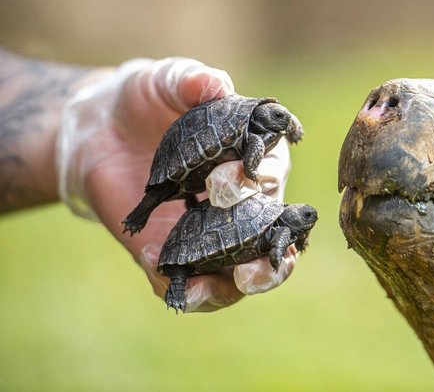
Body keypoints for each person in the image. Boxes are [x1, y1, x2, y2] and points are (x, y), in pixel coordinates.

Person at [0, 48, 298, 312]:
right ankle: (138, 217)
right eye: (278, 118)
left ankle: (173, 259)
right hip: (187, 152)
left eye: (284, 119)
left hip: (199, 172)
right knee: (159, 193)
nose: (283, 122)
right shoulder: (253, 133)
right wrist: (253, 172)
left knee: (175, 203)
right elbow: (254, 149)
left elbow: (280, 122)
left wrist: (95, 116)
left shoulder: (263, 126)